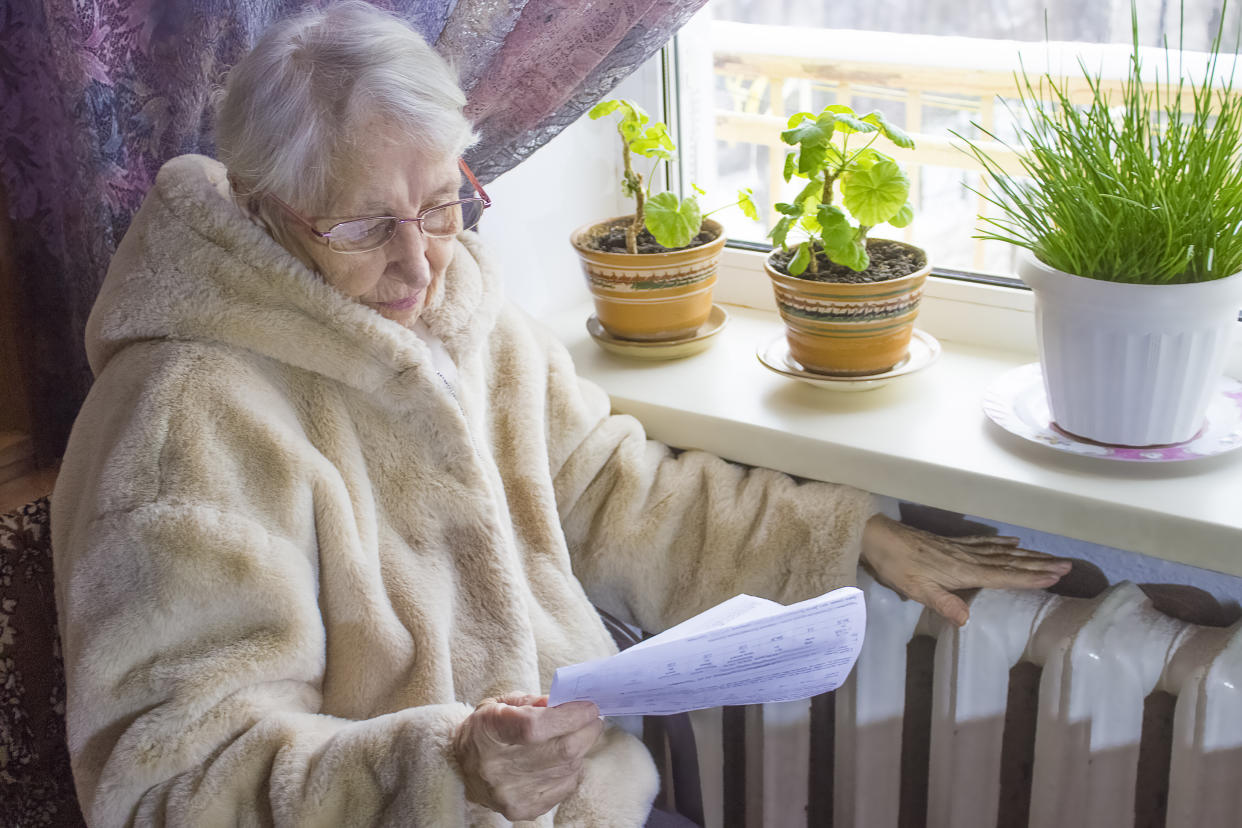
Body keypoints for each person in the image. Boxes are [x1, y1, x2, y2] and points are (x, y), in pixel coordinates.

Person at [50, 3, 1071, 826]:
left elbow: (603, 487)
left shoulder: (463, 307)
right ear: (265, 207)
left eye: (442, 203)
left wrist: (849, 536)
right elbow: (169, 784)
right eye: (365, 226)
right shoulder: (186, 415)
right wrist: (444, 773)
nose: (418, 263)